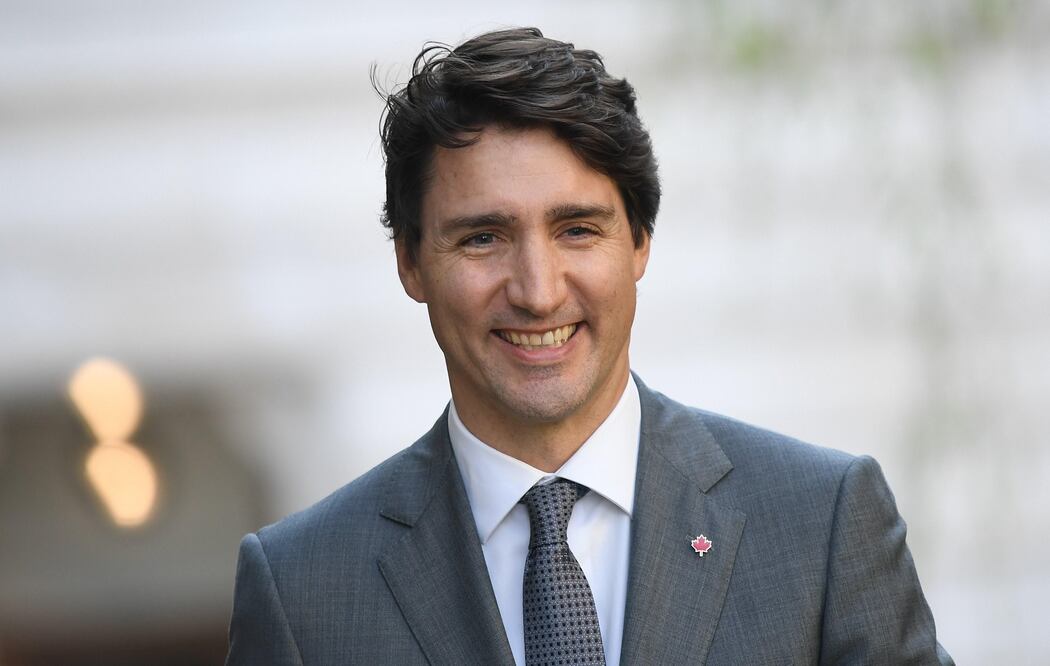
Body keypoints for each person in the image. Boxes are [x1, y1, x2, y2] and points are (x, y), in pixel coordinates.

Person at [225, 27, 951, 665]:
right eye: (483, 238)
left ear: (639, 244)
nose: (538, 291)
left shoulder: (817, 525)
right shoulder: (302, 589)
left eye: (577, 229)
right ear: (410, 263)